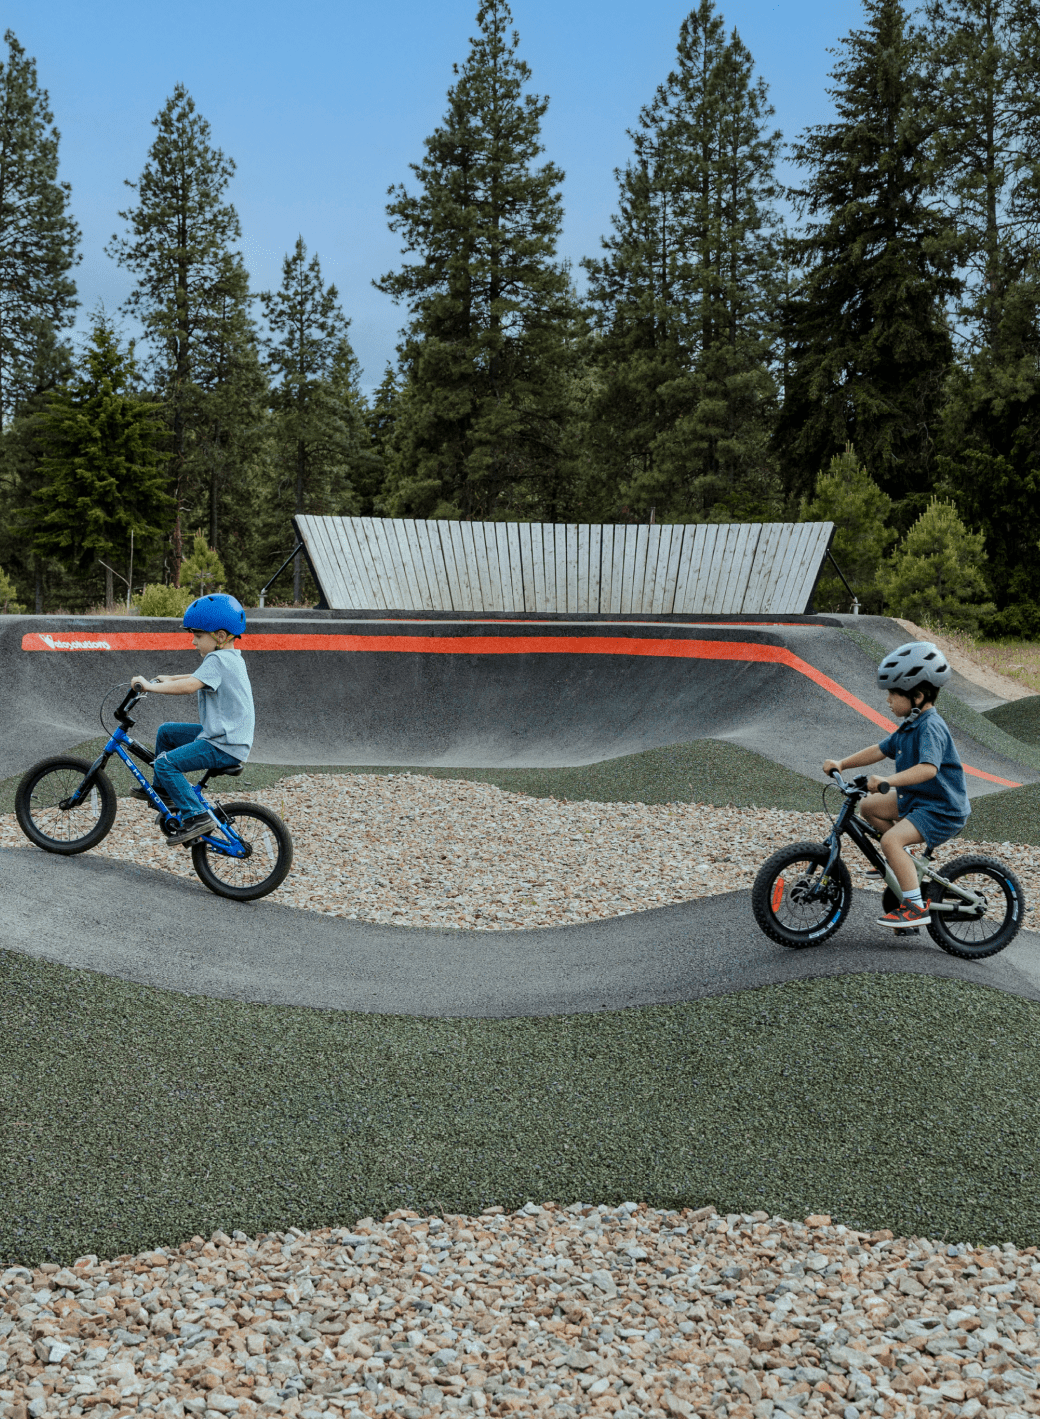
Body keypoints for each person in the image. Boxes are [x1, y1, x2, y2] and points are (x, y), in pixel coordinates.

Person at [822, 640, 970, 929]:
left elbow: (928, 769)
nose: (888, 700)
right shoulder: (910, 724)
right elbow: (880, 749)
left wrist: (888, 780)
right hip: (918, 800)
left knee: (890, 840)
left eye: (893, 694)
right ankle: (905, 863)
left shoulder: (931, 727)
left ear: (917, 695)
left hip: (941, 807)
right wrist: (842, 762)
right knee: (869, 807)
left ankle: (915, 907)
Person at [130, 593, 254, 846]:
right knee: (167, 732)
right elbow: (197, 676)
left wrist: (149, 687)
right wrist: (171, 677)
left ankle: (196, 816)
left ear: (220, 636)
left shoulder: (217, 659)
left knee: (165, 764)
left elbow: (190, 686)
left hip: (223, 744)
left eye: (198, 636)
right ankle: (164, 791)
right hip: (227, 737)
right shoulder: (230, 657)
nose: (193, 642)